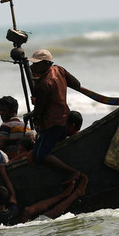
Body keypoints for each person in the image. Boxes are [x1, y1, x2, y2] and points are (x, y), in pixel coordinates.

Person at [26, 50, 83, 182]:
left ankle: (72, 172)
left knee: (40, 155)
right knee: (58, 149)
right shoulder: (59, 70)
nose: (33, 67)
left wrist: (31, 114)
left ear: (45, 64)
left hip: (52, 123)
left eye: (36, 64)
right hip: (64, 118)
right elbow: (77, 84)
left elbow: (39, 110)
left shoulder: (43, 84)